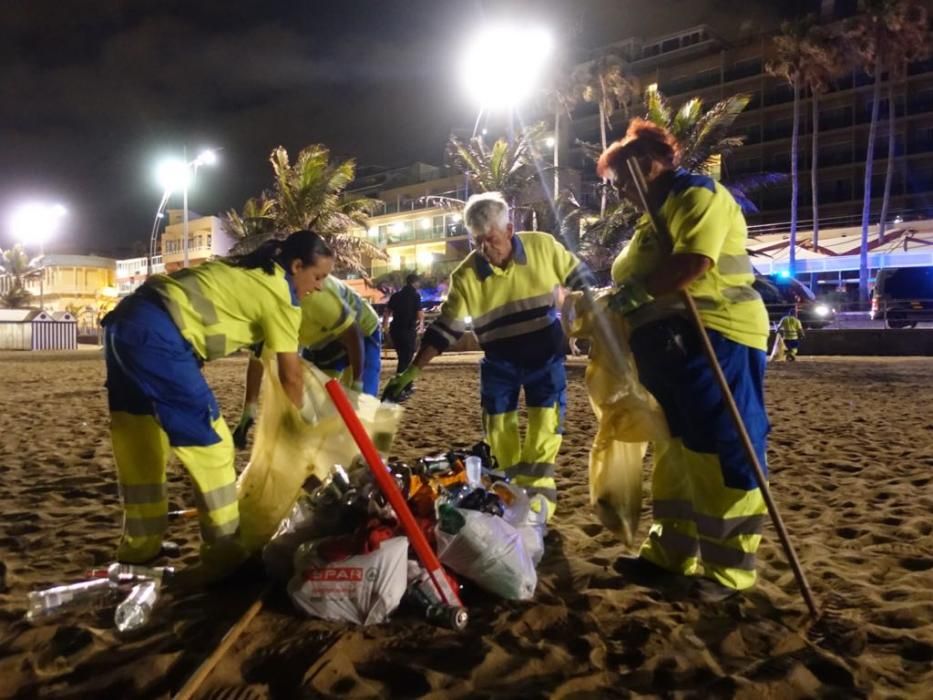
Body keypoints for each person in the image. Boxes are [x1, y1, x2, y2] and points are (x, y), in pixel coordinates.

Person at [597, 118, 771, 599]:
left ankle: (725, 572)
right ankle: (671, 554)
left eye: (620, 179)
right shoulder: (649, 221)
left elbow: (694, 262)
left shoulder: (697, 194)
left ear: (651, 164)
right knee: (676, 451)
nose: (620, 192)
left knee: (720, 449)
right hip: (665, 346)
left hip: (714, 334)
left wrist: (635, 294)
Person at [102, 230, 333, 574]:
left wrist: (254, 409)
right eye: (318, 276)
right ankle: (226, 552)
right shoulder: (281, 293)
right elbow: (291, 376)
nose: (319, 287)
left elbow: (262, 361)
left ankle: (140, 547)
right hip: (161, 337)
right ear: (297, 266)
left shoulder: (254, 272)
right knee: (212, 446)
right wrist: (300, 430)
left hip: (125, 321)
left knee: (139, 438)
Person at [382, 192, 594, 520]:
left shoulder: (543, 246)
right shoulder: (466, 276)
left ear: (509, 230)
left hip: (545, 359)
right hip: (499, 363)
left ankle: (538, 508)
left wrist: (593, 306)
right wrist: (413, 370)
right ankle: (508, 496)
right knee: (497, 430)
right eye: (477, 241)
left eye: (491, 239)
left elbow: (579, 275)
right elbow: (445, 329)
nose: (484, 248)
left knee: (546, 427)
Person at [233, 275, 382, 448]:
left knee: (362, 406)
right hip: (321, 341)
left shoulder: (315, 295)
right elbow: (257, 361)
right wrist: (248, 412)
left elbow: (353, 334)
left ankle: (363, 458)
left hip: (362, 331)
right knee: (318, 410)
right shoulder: (266, 315)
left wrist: (357, 383)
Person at [384, 273, 423, 372]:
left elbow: (387, 312)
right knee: (407, 356)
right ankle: (402, 382)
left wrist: (385, 327)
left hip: (395, 329)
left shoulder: (396, 295)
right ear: (415, 283)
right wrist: (421, 326)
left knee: (402, 356)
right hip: (408, 329)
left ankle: (403, 382)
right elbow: (419, 314)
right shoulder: (415, 295)